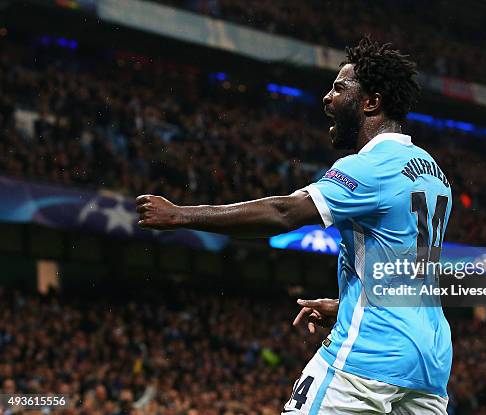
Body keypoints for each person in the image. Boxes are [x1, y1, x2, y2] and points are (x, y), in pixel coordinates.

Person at [136, 37, 452, 414]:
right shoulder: (435, 174)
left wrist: (181, 216)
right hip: (430, 361)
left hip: (371, 353)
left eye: (339, 88)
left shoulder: (368, 167)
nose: (327, 98)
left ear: (371, 102)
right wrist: (350, 305)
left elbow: (284, 213)